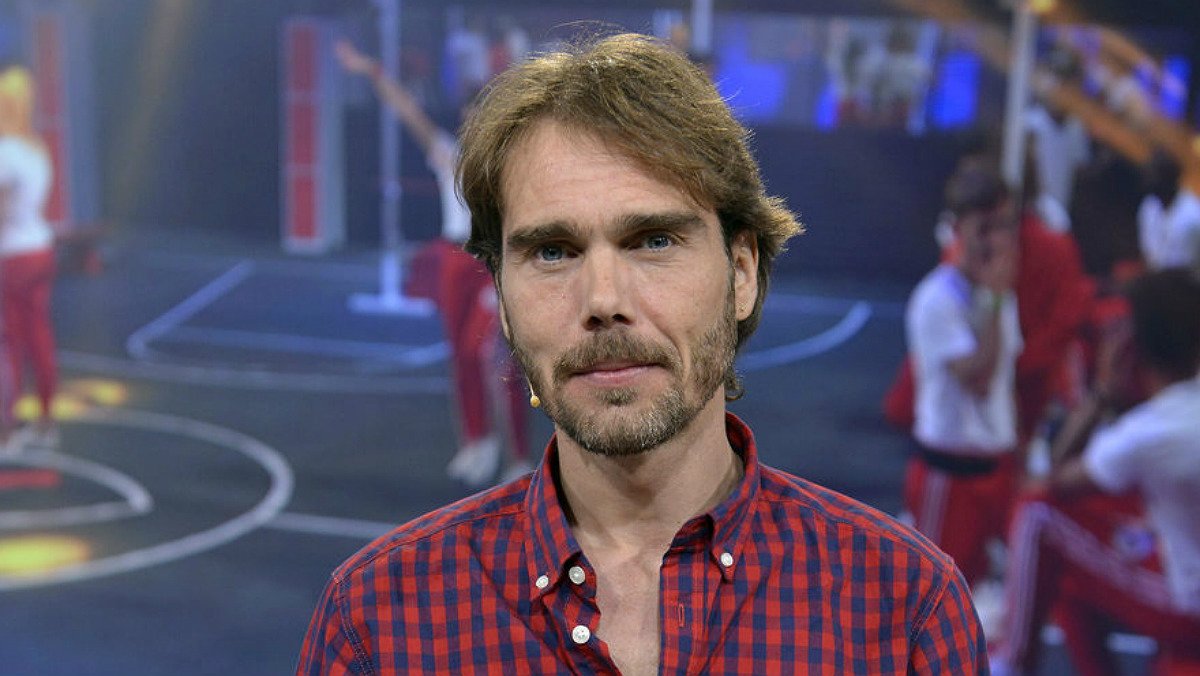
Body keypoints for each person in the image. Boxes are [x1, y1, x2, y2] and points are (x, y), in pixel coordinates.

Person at [298, 33, 986, 674]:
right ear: (502, 298)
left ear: (742, 272)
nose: (604, 298)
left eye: (654, 240)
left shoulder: (906, 614)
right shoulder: (374, 627)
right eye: (553, 252)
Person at [335, 40, 530, 486]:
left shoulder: (506, 164)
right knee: (459, 354)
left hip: (488, 261)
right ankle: (477, 441)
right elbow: (409, 113)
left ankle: (518, 457)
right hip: (452, 258)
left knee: (492, 356)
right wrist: (372, 71)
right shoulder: (447, 153)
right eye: (467, 116)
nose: (470, 123)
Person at [989, 268, 1200, 675]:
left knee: (1038, 514)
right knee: (1077, 552)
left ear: (1132, 348)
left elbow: (1048, 484)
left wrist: (1102, 393)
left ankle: (1010, 662)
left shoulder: (1150, 431)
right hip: (1177, 558)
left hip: (1187, 606)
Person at [904, 161, 1023, 588]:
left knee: (990, 598)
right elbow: (980, 378)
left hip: (995, 469)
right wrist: (995, 299)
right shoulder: (937, 298)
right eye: (984, 229)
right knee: (936, 598)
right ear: (957, 230)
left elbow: (1006, 381)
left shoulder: (998, 296)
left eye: (1004, 227)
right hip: (950, 478)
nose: (997, 241)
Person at [0, 64, 57, 450]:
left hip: (11, 256)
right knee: (37, 336)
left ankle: (6, 427)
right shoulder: (37, 149)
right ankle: (46, 421)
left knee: (7, 342)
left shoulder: (6, 152)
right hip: (39, 249)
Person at [1137, 148, 1200, 272]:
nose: (1149, 182)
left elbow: (1190, 268)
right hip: (1156, 276)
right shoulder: (1148, 207)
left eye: (1155, 177)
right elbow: (1148, 254)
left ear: (1169, 179)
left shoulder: (1192, 216)